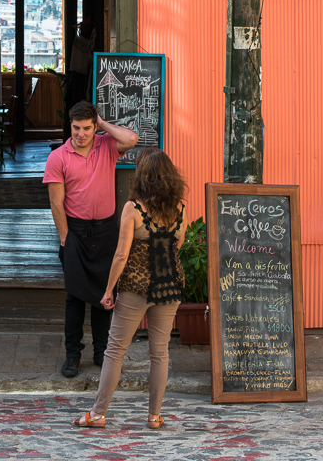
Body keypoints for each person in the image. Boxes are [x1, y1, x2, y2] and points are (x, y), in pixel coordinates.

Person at [72, 147, 187, 430]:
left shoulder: (133, 209)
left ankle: (98, 413)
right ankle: (154, 416)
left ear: (142, 177)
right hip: (170, 285)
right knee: (160, 352)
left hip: (137, 287)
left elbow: (121, 255)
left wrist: (109, 289)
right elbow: (178, 245)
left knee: (115, 350)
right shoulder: (180, 209)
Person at [43, 100, 138, 378]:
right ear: (69, 125)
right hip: (75, 233)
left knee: (104, 295)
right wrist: (64, 240)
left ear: (94, 126)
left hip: (106, 231)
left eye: (87, 128)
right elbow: (56, 204)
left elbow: (132, 139)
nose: (81, 134)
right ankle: (72, 355)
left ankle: (100, 352)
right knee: (74, 297)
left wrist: (103, 125)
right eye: (76, 128)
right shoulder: (58, 157)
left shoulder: (107, 145)